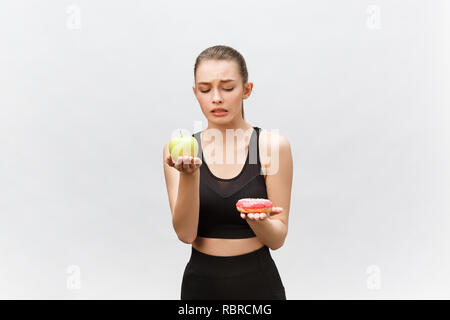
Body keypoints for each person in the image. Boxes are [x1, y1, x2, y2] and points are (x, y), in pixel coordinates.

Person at [163, 45, 293, 299]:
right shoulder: (179, 150)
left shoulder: (272, 146)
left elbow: (277, 240)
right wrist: (189, 175)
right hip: (201, 286)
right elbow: (186, 234)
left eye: (228, 87)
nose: (216, 98)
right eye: (205, 89)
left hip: (259, 285)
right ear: (195, 93)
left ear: (247, 90)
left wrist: (258, 219)